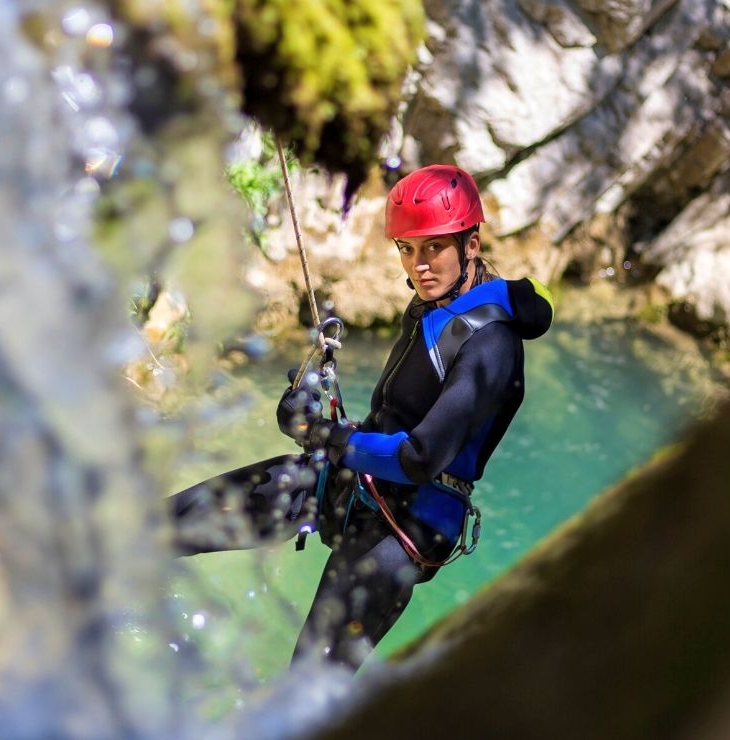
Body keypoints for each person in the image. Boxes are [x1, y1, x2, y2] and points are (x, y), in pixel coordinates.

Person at [171, 164, 554, 670]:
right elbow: (395, 419)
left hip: (405, 530)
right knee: (174, 522)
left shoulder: (491, 343)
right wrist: (321, 414)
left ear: (472, 244)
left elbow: (420, 457)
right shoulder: (433, 305)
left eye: (434, 246)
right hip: (360, 482)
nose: (418, 265)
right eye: (407, 248)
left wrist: (323, 435)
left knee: (307, 686)